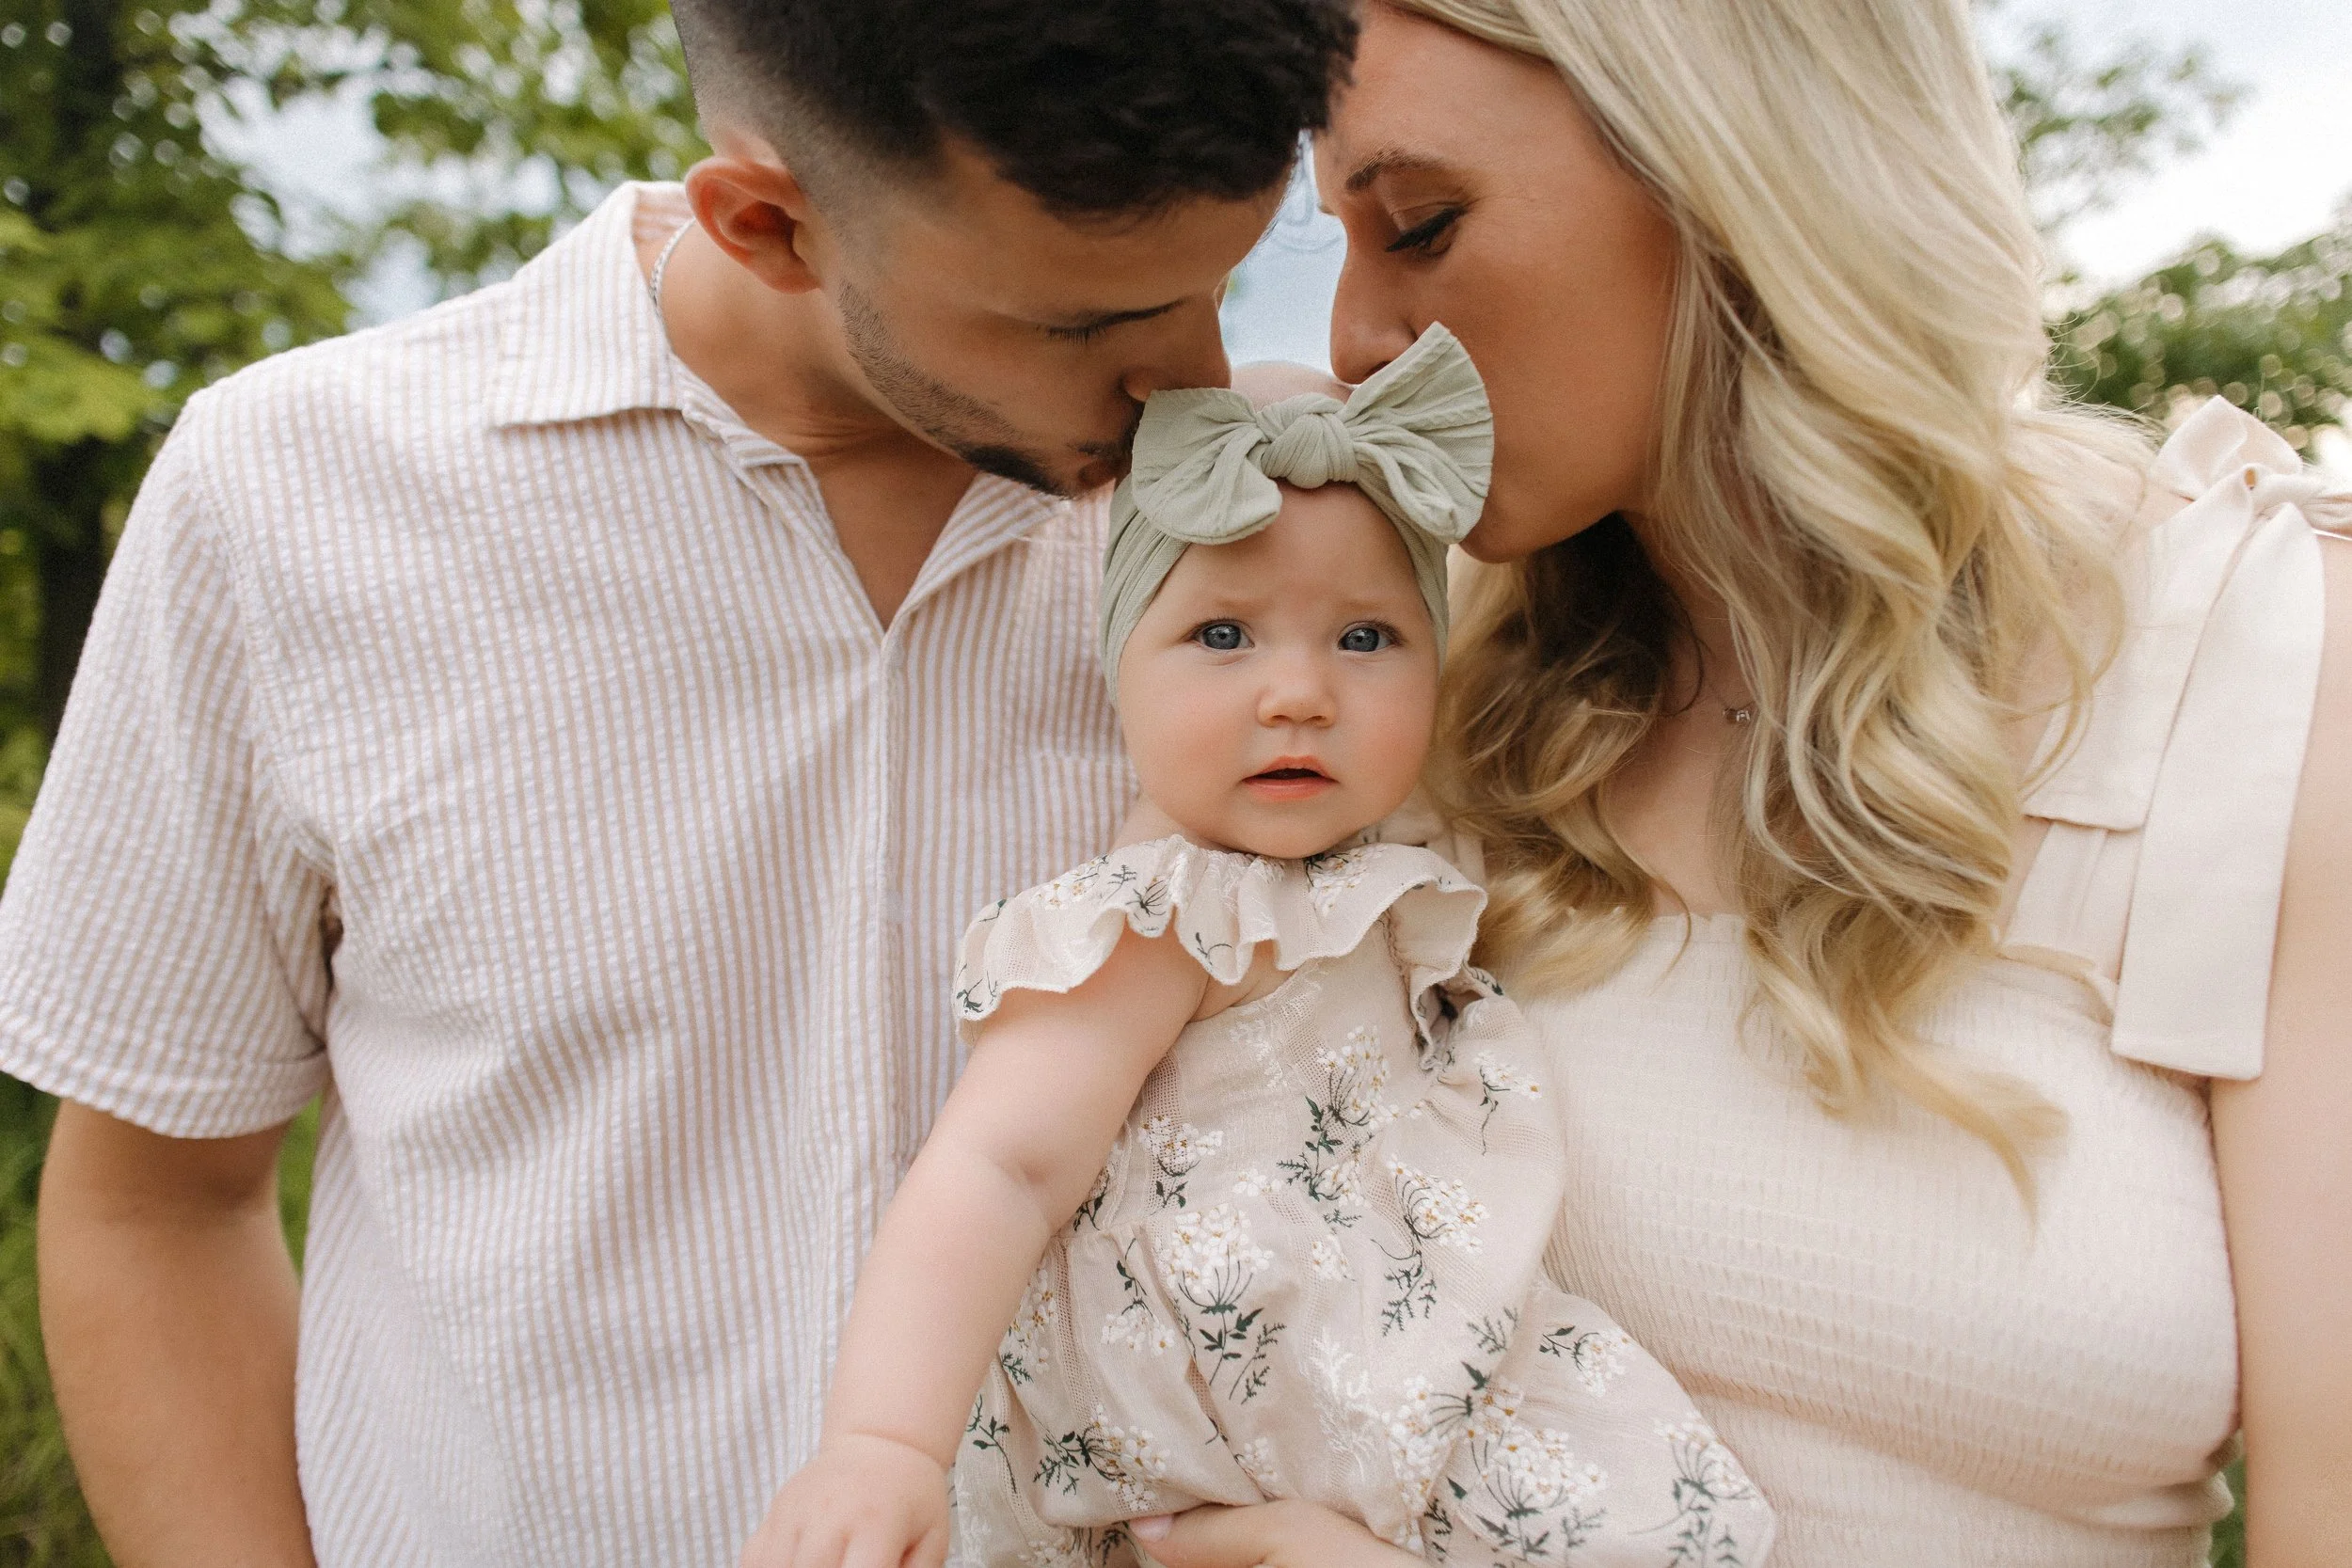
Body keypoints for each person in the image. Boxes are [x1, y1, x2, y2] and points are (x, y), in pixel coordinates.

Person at [0, 3, 1356, 1562]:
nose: (1193, 381)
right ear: (768, 224)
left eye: (1219, 280)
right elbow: (156, 1204)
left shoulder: (1308, 544)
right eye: (1080, 323)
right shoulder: (286, 498)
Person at [1120, 2, 2352, 1567]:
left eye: (1419, 224)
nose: (1360, 337)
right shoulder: (1389, 697)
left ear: (1733, 166)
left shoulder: (2264, 651)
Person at [746, 328, 1773, 1568]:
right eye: (1223, 636)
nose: (1298, 694)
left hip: (1417, 1390)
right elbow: (999, 1167)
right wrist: (883, 1442)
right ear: (1120, 661)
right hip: (1237, 1430)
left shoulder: (1405, 864)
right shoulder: (1158, 917)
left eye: (1366, 639)